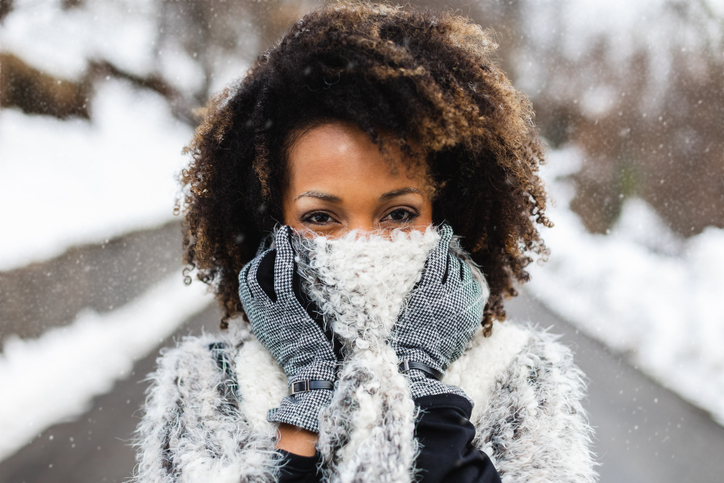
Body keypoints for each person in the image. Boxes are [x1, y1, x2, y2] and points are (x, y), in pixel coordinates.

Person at [133, 3, 597, 482]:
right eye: (322, 217)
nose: (362, 249)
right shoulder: (209, 383)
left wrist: (421, 390)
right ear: (272, 222)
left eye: (398, 214)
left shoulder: (519, 376)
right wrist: (309, 397)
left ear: (446, 214)